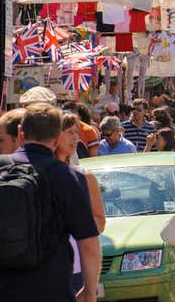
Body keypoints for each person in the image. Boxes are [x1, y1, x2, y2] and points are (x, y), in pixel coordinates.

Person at [0, 103, 101, 302]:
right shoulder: (67, 176)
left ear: (20, 132)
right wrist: (90, 290)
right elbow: (89, 243)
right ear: (57, 137)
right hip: (52, 291)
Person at [55, 113, 107, 295]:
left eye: (76, 132)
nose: (76, 137)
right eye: (69, 132)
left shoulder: (84, 176)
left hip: (76, 268)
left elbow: (100, 223)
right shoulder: (35, 174)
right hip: (43, 270)